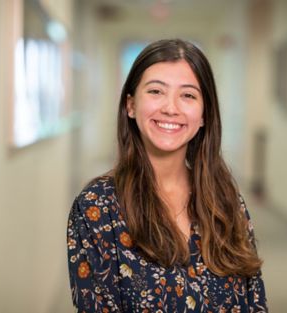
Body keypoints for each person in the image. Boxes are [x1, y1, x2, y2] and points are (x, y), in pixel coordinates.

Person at [67, 39, 268, 312]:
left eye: (188, 95)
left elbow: (254, 301)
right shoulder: (96, 208)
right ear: (131, 105)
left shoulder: (226, 199)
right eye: (156, 91)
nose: (171, 108)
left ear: (204, 115)